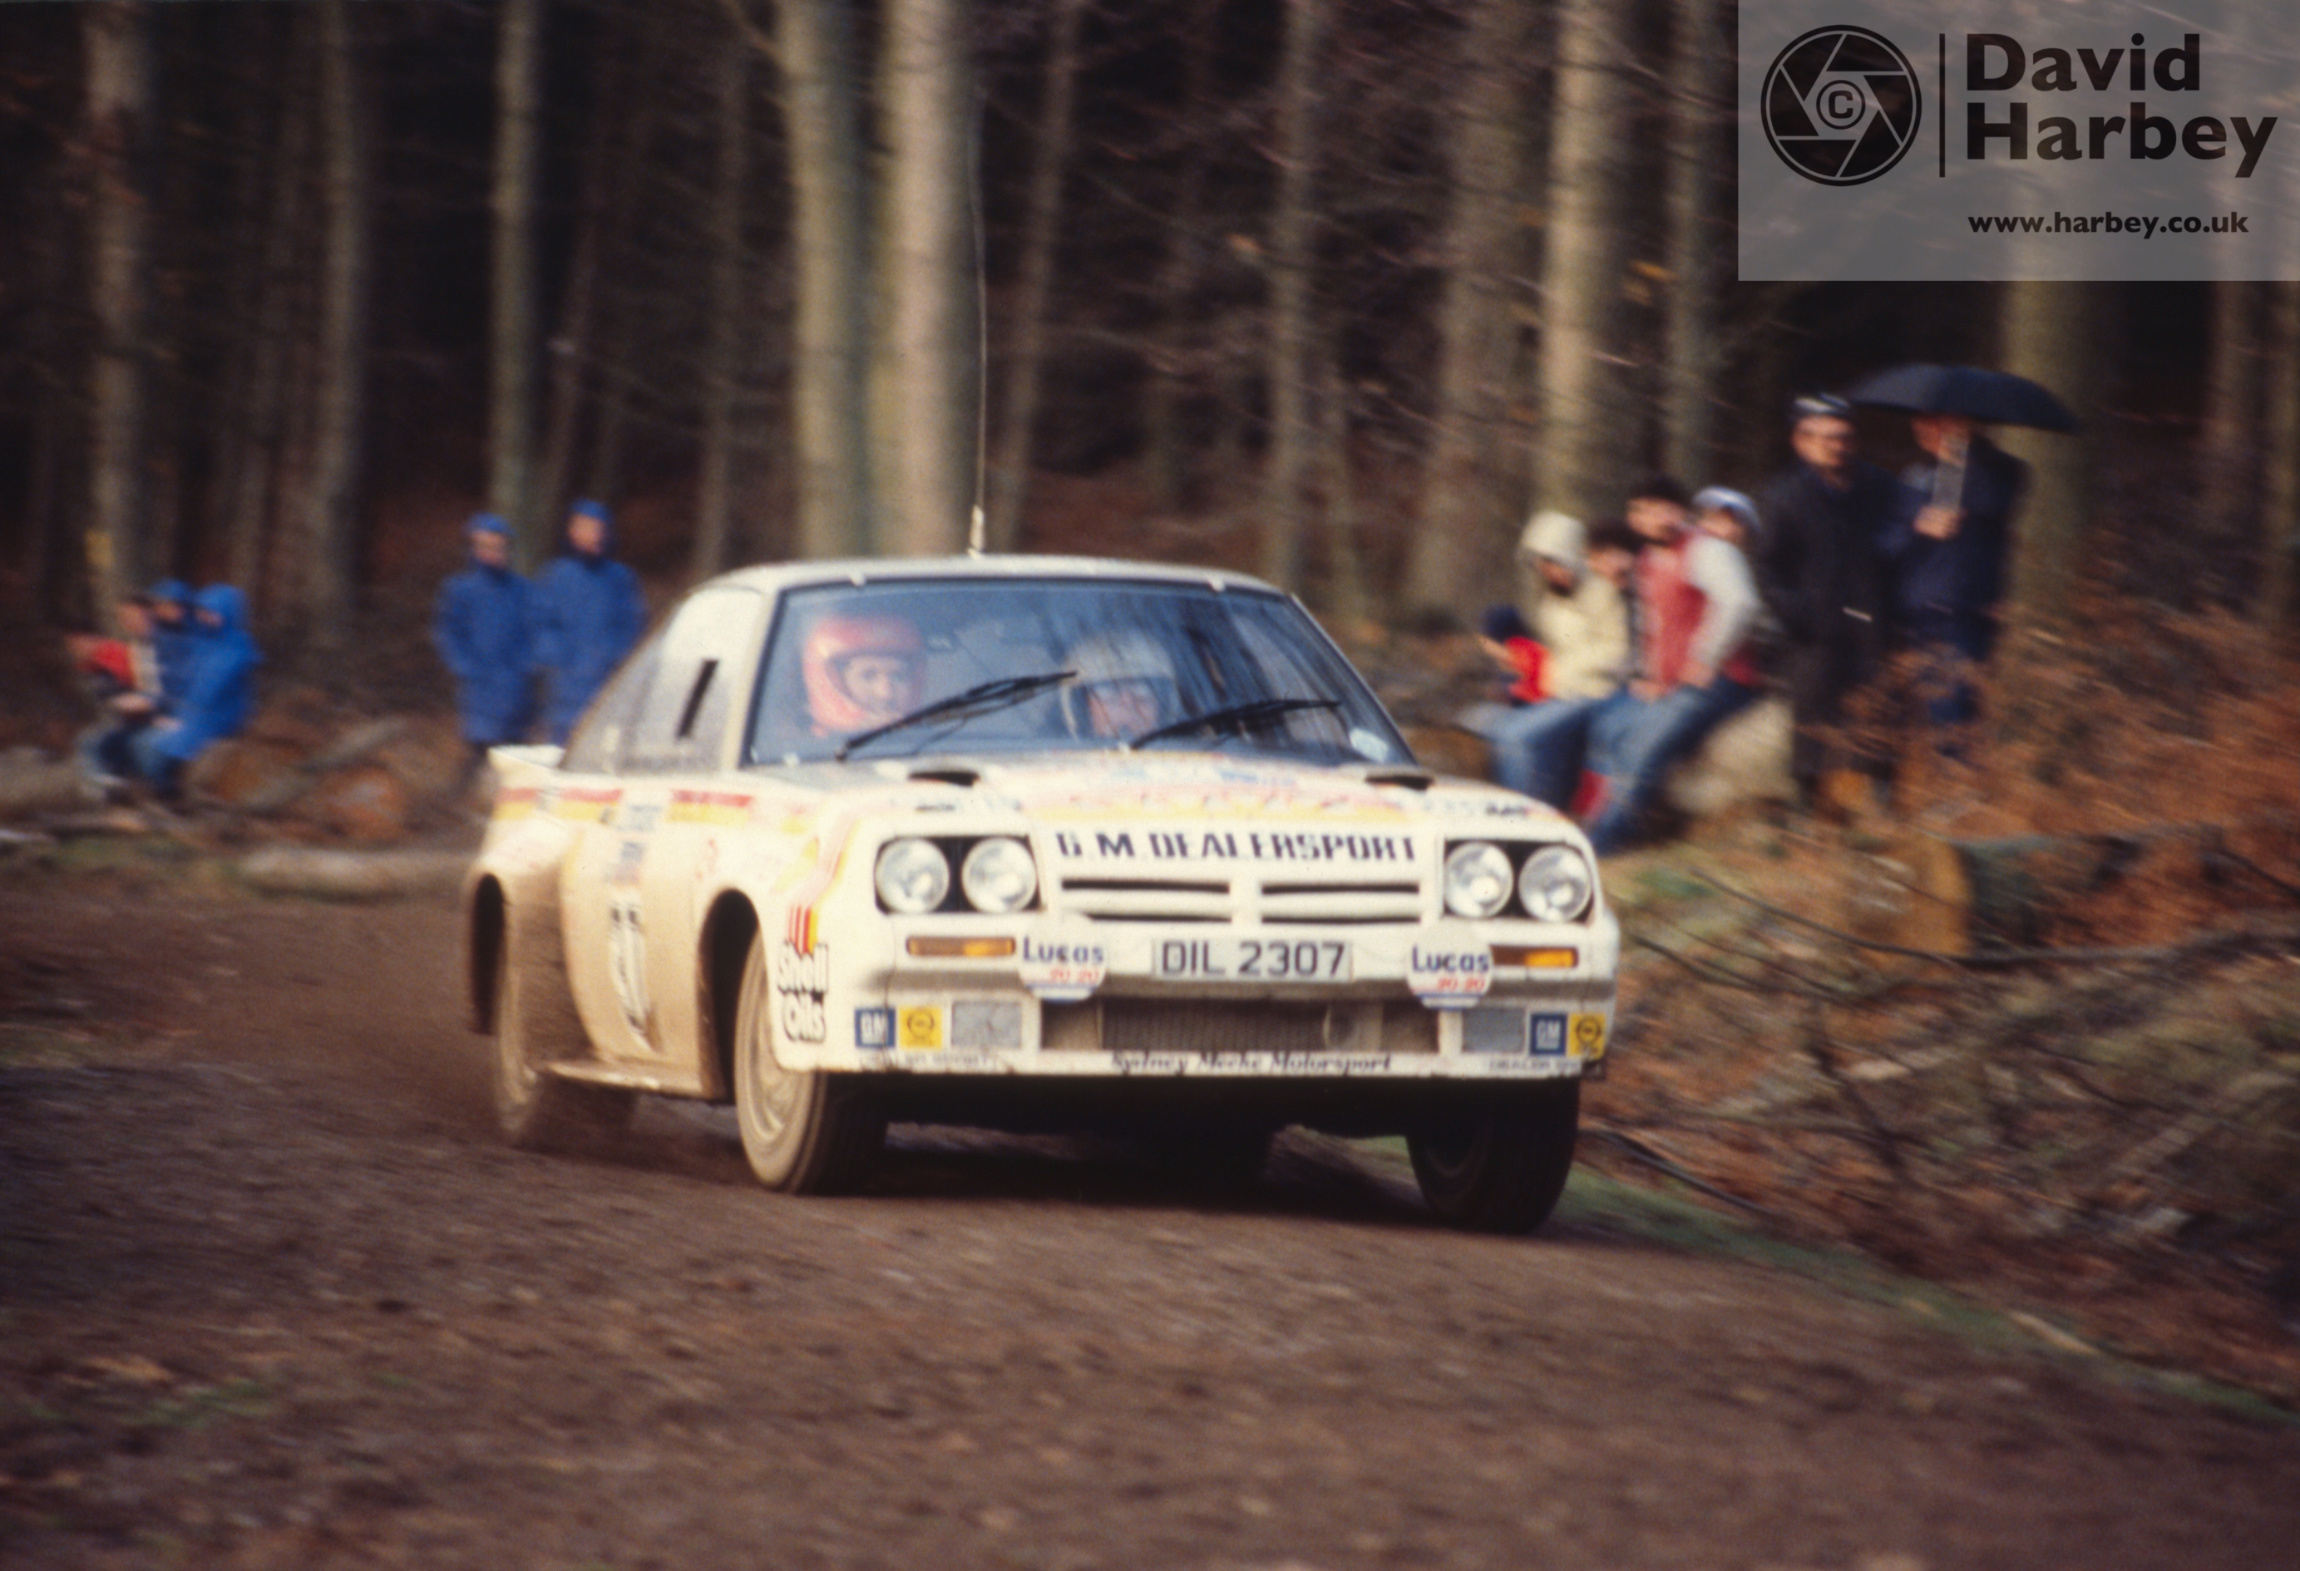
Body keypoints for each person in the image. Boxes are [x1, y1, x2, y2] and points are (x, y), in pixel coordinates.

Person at [1579, 475, 1763, 853]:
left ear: (1679, 512)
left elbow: (1740, 602)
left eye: (1660, 508)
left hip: (1721, 680)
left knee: (1643, 743)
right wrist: (1649, 674)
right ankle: (1620, 824)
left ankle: (1604, 843)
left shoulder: (1707, 550)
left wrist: (1704, 658)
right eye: (1640, 510)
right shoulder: (1647, 560)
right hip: (1672, 684)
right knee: (1611, 728)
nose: (1650, 517)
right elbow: (1652, 624)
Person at [1754, 393, 1902, 811]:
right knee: (1812, 719)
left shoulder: (1879, 485)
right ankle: (1806, 808)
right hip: (1814, 630)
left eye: (1841, 437)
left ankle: (1882, 802)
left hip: (1873, 620)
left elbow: (1901, 535)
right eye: (1820, 438)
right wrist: (1798, 616)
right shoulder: (1783, 496)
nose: (1833, 446)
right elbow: (1767, 569)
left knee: (1877, 711)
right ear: (1800, 442)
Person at [1877, 413, 2028, 743]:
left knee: (1954, 713)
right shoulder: (1912, 478)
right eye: (1920, 423)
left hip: (1962, 612)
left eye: (1938, 422)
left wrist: (1957, 455)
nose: (1926, 430)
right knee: (1920, 713)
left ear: (1966, 424)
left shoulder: (1997, 470)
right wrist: (1916, 526)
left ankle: (1956, 790)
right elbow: (1885, 544)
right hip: (1915, 611)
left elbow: (1996, 502)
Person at [1484, 511, 1632, 808]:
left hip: (1593, 693)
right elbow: (1555, 651)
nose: (1548, 571)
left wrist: (1565, 669)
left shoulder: (1601, 592)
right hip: (1559, 692)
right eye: (1541, 565)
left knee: (1516, 737)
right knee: (1494, 730)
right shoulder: (1551, 602)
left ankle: (1526, 818)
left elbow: (1619, 651)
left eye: (1552, 562)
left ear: (1570, 556)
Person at [532, 498, 646, 744]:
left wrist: (608, 658)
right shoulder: (556, 575)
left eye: (596, 528)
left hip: (606, 688)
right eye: (583, 527)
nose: (590, 535)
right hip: (564, 693)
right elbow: (541, 625)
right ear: (571, 532)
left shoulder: (620, 578)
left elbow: (631, 627)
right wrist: (559, 659)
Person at [132, 584, 261, 799]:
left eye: (211, 612)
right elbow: (186, 681)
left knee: (163, 746)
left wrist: (183, 717)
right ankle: (156, 794)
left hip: (223, 714)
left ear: (227, 613)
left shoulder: (238, 645)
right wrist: (175, 712)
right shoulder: (204, 640)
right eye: (203, 612)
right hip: (196, 711)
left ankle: (168, 797)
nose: (205, 617)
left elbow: (212, 686)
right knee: (145, 742)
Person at [433, 512, 535, 783]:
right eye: (485, 546)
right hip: (479, 688)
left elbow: (536, 630)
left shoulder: (522, 589)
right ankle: (459, 809)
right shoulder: (460, 590)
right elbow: (448, 633)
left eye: (499, 546)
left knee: (516, 759)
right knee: (479, 754)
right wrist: (464, 666)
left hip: (515, 689)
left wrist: (527, 664)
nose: (493, 553)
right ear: (474, 549)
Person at [801, 613, 925, 737]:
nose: (885, 694)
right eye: (868, 676)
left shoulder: (936, 742)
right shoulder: (801, 750)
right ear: (835, 682)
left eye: (898, 676)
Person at [1064, 628, 1180, 740]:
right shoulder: (1054, 757)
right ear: (1082, 710)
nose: (1128, 704)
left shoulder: (1190, 753)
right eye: (1109, 690)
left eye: (1143, 690)